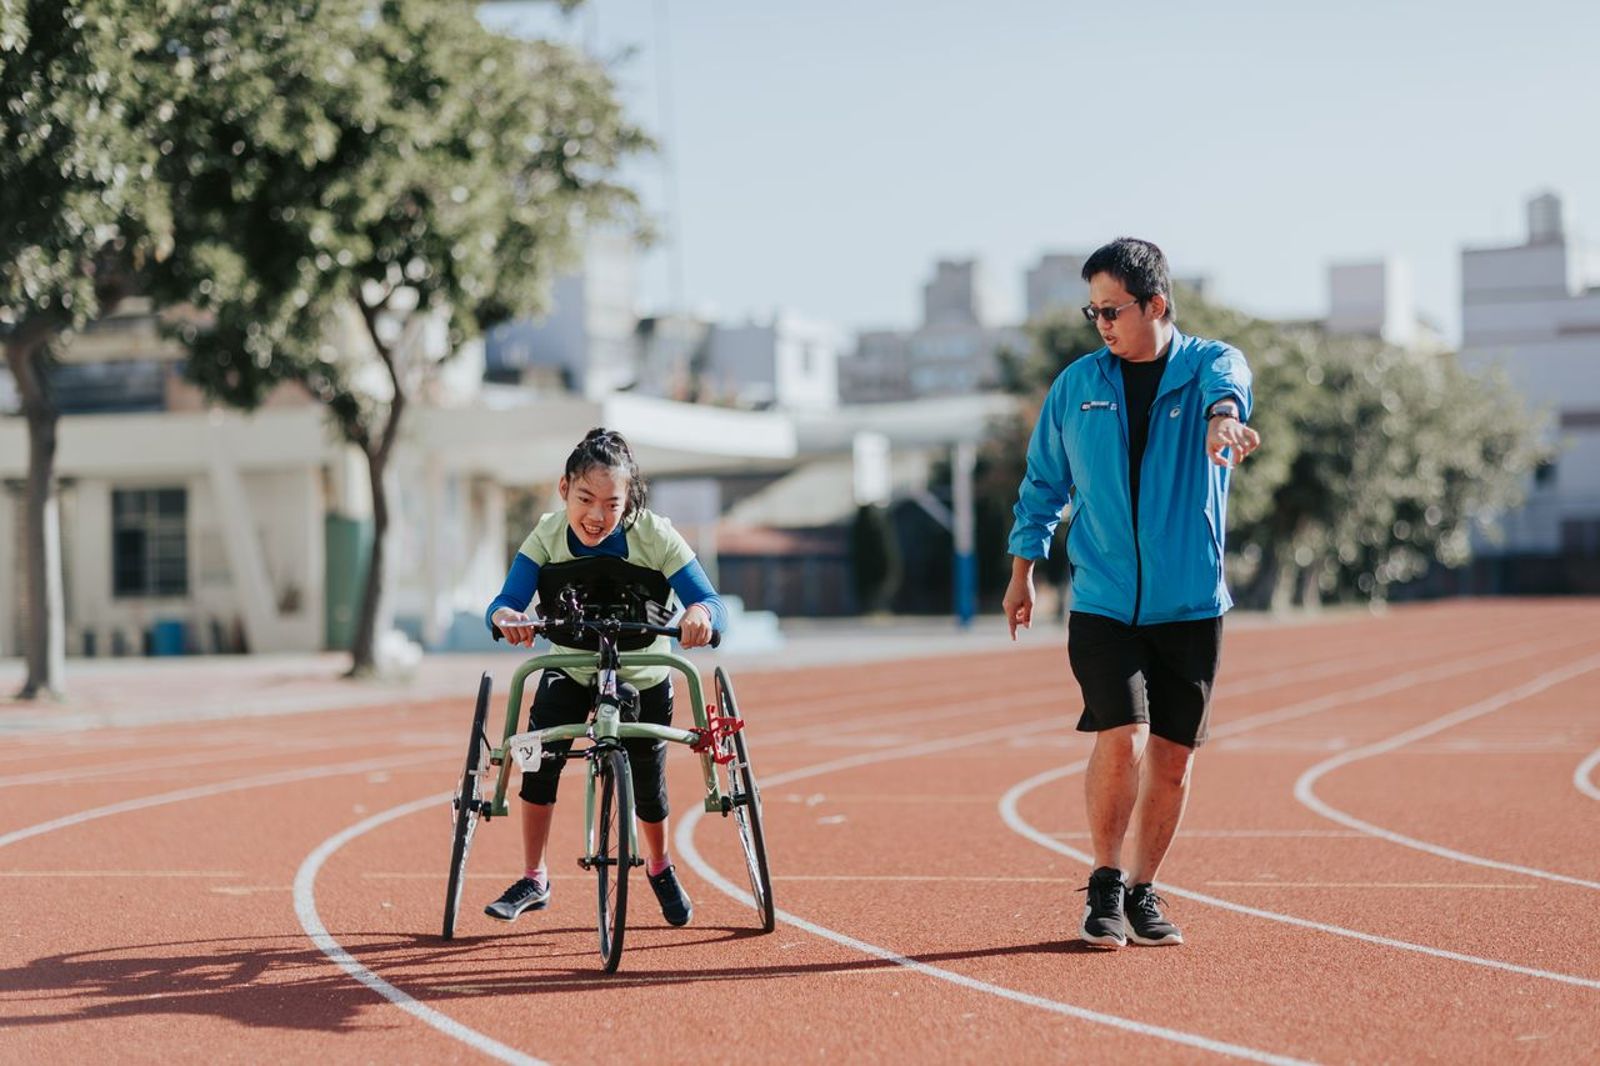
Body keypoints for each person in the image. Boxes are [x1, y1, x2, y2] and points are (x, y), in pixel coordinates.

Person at [1003, 237, 1260, 949]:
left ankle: (1146, 892)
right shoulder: (1077, 386)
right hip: (1105, 600)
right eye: (1094, 312)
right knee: (1125, 736)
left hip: (1191, 605)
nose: (1103, 325)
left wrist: (1223, 422)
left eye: (1113, 310)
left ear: (1157, 305)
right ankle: (1104, 884)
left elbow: (1228, 391)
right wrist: (1023, 570)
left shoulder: (1211, 365)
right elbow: (1043, 486)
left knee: (1173, 761)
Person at [484, 427, 727, 929]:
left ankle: (659, 866)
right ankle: (534, 876)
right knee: (538, 758)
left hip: (642, 669)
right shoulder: (547, 535)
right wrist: (507, 618)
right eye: (585, 499)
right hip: (571, 666)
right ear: (563, 490)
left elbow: (712, 602)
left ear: (629, 501)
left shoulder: (656, 534)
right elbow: (505, 602)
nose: (596, 515)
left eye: (612, 504)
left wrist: (701, 615)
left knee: (647, 778)